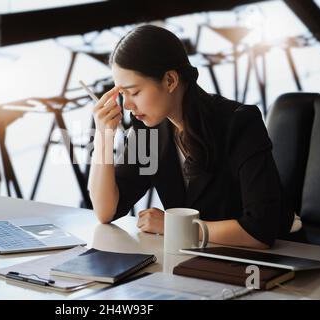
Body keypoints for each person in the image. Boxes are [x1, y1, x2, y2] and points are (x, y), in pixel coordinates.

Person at [88, 25, 294, 249]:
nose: (127, 105)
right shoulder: (148, 130)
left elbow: (260, 231)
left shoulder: (240, 122)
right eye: (123, 94)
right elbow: (106, 211)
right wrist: (103, 137)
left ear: (170, 81)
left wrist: (175, 226)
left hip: (274, 259)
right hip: (196, 257)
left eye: (135, 92)